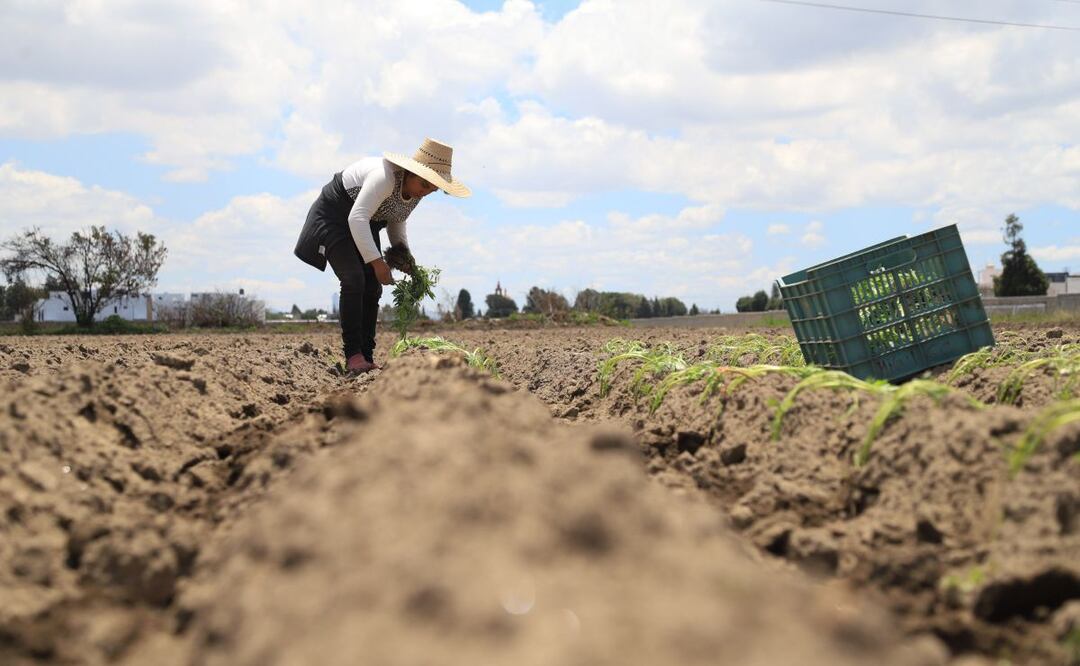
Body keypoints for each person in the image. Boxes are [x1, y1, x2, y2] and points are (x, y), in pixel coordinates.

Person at [294, 138, 470, 373]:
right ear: (410, 172)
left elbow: (397, 222)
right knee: (354, 279)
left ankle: (366, 355)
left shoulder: (415, 192)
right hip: (335, 217)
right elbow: (356, 218)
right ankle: (353, 355)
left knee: (373, 287)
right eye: (424, 185)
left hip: (364, 223)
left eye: (432, 189)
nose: (425, 192)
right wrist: (377, 262)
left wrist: (405, 258)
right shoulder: (384, 178)